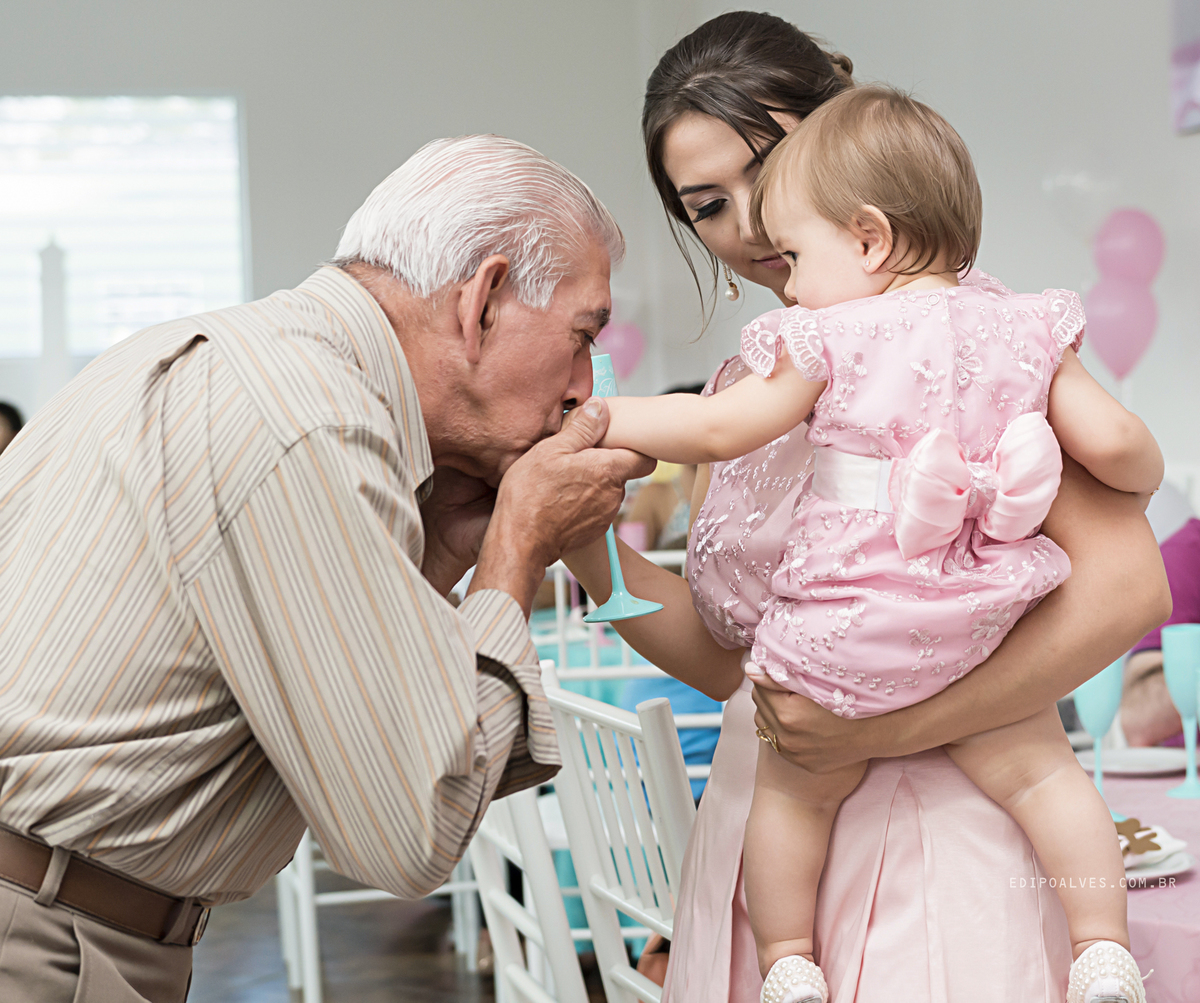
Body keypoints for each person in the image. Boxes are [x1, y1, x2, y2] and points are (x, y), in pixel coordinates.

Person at [563, 12, 1170, 1002]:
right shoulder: (744, 388)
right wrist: (593, 558)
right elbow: (726, 662)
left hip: (939, 850)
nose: (750, 223)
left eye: (772, 167)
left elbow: (1129, 589)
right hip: (768, 845)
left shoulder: (980, 335)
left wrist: (876, 732)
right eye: (709, 204)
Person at [0, 135, 652, 1002]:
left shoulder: (227, 357)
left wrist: (447, 549)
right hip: (47, 932)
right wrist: (514, 555)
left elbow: (300, 688)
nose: (583, 387)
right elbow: (409, 827)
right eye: (581, 336)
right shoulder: (311, 422)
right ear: (484, 299)